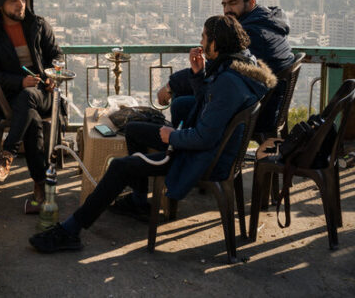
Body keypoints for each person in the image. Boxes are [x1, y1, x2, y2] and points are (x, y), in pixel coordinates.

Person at [29, 15, 276, 252]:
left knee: (120, 167)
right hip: (206, 147)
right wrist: (198, 74)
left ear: (216, 43)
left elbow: (205, 137)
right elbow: (207, 106)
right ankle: (138, 201)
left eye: (204, 37)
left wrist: (172, 137)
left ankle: (71, 231)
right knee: (134, 130)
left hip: (200, 158)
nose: (200, 42)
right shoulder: (239, 66)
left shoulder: (228, 83)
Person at [158, 0, 293, 139]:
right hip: (266, 103)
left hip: (257, 113)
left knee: (181, 103)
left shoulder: (251, 35)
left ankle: (189, 152)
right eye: (224, 4)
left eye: (233, 3)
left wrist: (170, 86)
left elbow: (215, 70)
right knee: (189, 92)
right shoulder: (268, 23)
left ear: (250, 3)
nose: (227, 10)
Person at [0, 0, 63, 213]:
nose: (20, 4)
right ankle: (39, 187)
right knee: (31, 117)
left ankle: (6, 157)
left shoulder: (38, 25)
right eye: (14, 0)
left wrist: (50, 76)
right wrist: (20, 81)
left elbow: (57, 56)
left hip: (44, 93)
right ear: (0, 4)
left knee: (30, 99)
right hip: (12, 97)